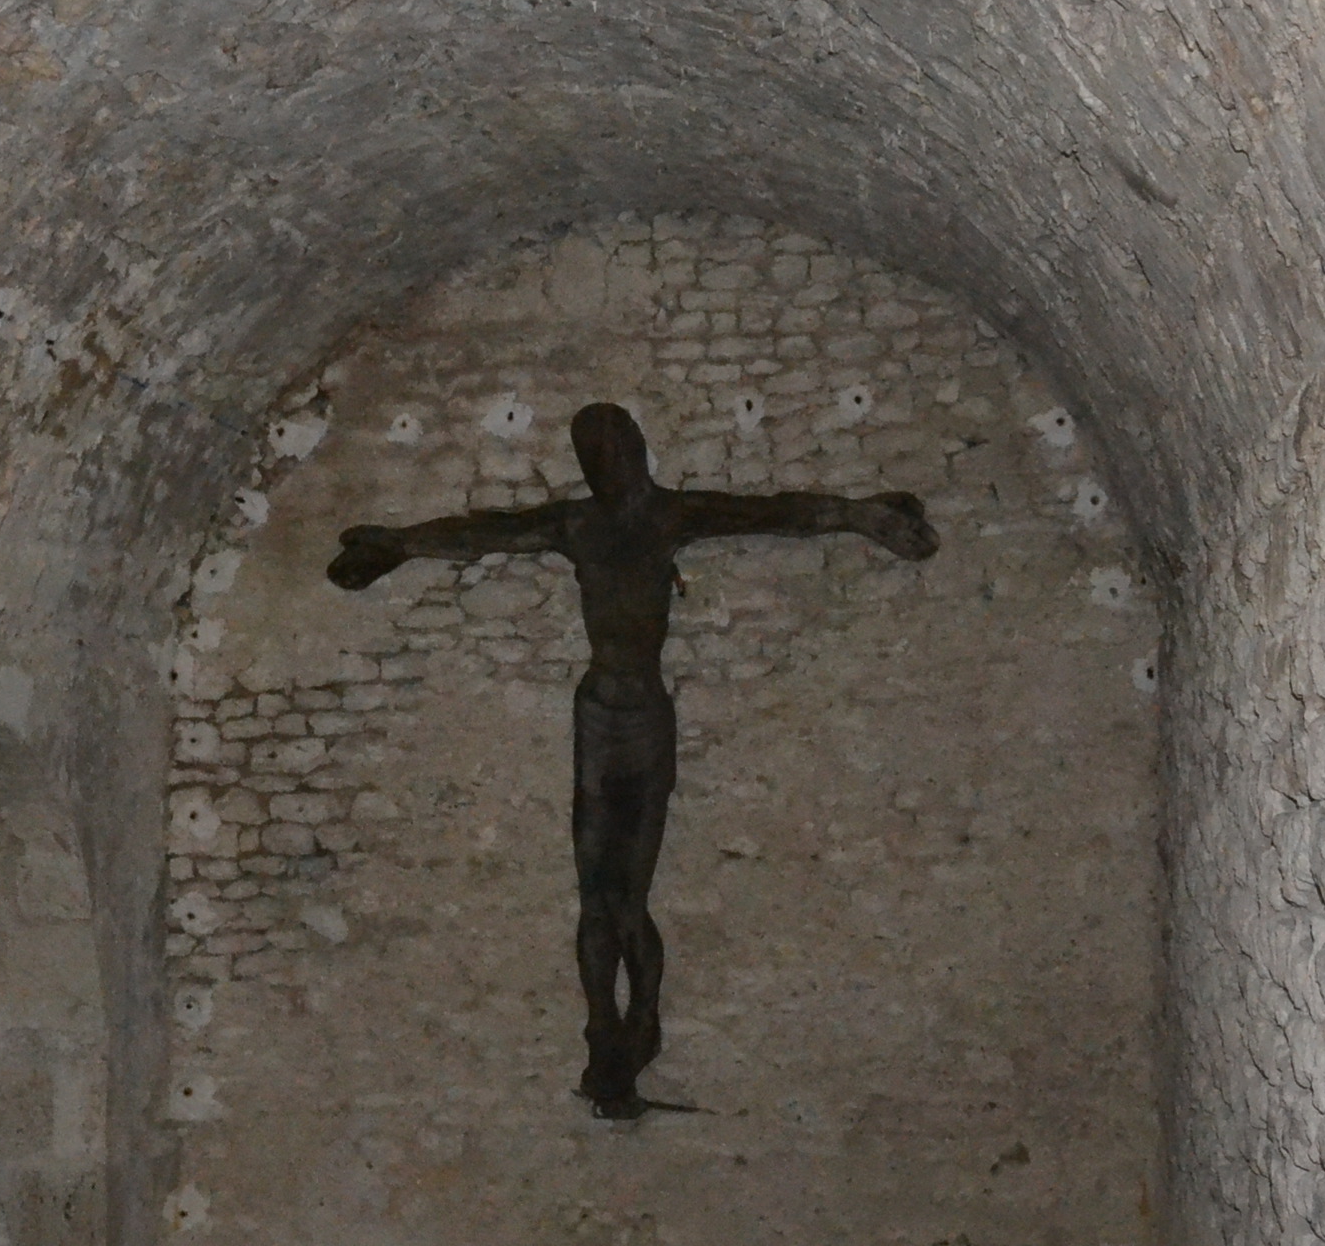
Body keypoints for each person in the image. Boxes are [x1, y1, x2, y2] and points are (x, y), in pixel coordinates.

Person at [327, 402, 938, 1118]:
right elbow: (484, 532)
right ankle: (600, 1033)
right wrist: (398, 542)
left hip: (645, 721)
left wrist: (859, 514)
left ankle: (641, 1021)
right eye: (593, 450)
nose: (606, 462)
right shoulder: (578, 525)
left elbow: (778, 513)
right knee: (596, 898)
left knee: (628, 898)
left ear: (637, 449)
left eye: (614, 446)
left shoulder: (669, 516)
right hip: (599, 717)